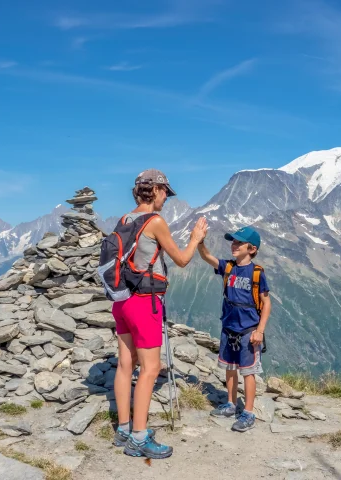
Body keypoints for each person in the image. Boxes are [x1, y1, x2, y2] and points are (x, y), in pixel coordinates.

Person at [111, 169, 208, 459]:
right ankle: (139, 440)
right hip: (144, 302)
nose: (167, 197)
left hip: (122, 300)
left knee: (125, 365)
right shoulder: (155, 222)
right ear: (156, 190)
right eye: (166, 192)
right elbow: (180, 259)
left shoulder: (124, 220)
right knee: (151, 368)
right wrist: (195, 238)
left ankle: (124, 429)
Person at [197, 226, 271, 432]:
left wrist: (260, 330)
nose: (234, 245)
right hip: (228, 326)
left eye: (239, 242)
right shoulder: (228, 267)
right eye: (233, 241)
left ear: (252, 249)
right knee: (230, 368)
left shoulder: (257, 273)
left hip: (249, 330)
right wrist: (200, 242)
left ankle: (248, 412)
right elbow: (207, 257)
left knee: (248, 372)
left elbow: (266, 303)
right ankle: (230, 404)